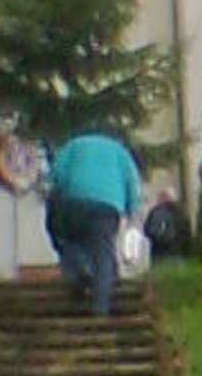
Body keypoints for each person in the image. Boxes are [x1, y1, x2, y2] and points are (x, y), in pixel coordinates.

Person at [45, 133, 141, 315]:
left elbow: (57, 176)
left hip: (73, 201)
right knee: (103, 254)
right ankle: (100, 308)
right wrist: (133, 214)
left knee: (70, 241)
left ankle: (79, 275)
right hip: (107, 206)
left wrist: (58, 198)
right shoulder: (120, 153)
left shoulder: (72, 145)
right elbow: (132, 183)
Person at [144, 188, 190, 261]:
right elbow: (187, 232)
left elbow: (148, 230)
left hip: (160, 253)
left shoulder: (157, 212)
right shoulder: (181, 212)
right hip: (179, 254)